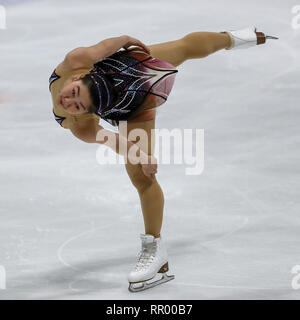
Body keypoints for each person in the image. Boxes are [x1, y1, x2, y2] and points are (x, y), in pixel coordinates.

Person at [49, 27, 277, 292]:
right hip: (126, 85)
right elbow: (116, 140)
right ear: (78, 76)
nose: (67, 101)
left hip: (136, 95)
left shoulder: (80, 105)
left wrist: (143, 158)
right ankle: (236, 37)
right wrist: (126, 40)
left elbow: (117, 140)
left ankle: (236, 38)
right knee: (140, 167)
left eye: (76, 102)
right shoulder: (78, 68)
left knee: (143, 177)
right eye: (75, 97)